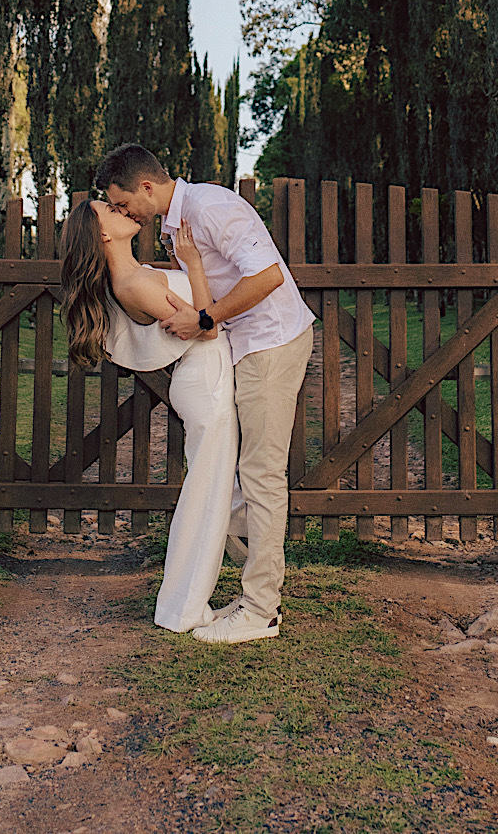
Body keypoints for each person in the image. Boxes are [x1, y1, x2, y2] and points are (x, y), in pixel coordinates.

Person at [95, 143, 314, 646]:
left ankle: (261, 609)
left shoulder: (209, 208)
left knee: (260, 478)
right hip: (248, 348)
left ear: (146, 187)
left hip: (269, 344)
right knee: (245, 481)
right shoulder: (178, 226)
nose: (123, 211)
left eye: (123, 201)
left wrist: (208, 317)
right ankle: (247, 589)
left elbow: (268, 276)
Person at [59, 198, 237, 633]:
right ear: (102, 234)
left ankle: (210, 598)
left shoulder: (136, 274)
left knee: (219, 492)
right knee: (207, 496)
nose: (122, 210)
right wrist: (192, 262)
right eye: (109, 210)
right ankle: (184, 609)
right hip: (206, 382)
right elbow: (207, 324)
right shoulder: (132, 284)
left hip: (208, 378)